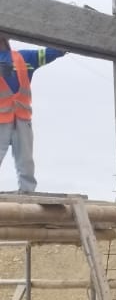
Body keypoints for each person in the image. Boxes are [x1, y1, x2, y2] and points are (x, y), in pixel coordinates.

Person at [0, 36, 66, 194]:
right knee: (25, 159)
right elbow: (51, 53)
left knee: (25, 159)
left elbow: (49, 53)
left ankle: (27, 191)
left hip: (20, 118)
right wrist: (66, 44)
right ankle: (27, 190)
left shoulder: (24, 57)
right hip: (8, 118)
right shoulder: (25, 57)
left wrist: (66, 44)